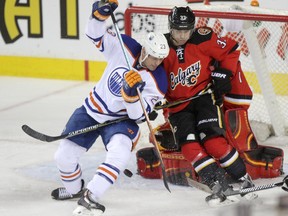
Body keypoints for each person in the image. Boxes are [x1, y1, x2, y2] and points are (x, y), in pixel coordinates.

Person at [50, 0, 169, 215]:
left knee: (120, 154)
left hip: (121, 122)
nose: (156, 62)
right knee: (63, 157)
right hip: (92, 110)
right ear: (144, 51)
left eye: (160, 59)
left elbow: (137, 116)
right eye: (153, 57)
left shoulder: (159, 81)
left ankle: (91, 195)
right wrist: (98, 17)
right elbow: (93, 35)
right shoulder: (124, 46)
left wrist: (130, 95)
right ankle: (75, 190)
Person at [160, 6, 256, 203]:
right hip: (177, 106)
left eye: (186, 30)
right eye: (177, 30)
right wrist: (148, 99)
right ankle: (217, 182)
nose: (182, 35)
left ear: (193, 28)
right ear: (170, 28)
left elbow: (231, 49)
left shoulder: (203, 38)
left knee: (213, 142)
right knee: (189, 147)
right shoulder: (160, 46)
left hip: (205, 98)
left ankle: (244, 178)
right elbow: (149, 73)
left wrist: (225, 73)